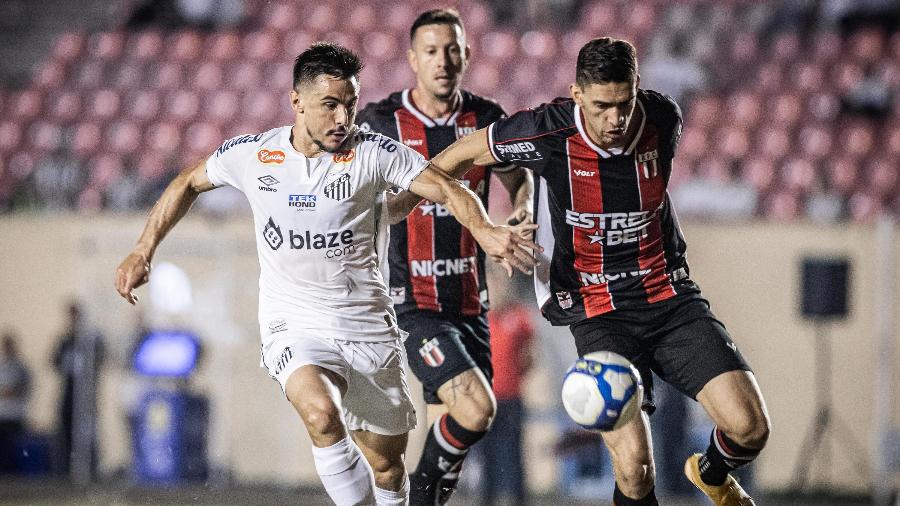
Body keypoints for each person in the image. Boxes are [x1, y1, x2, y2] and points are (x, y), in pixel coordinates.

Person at [114, 42, 538, 506]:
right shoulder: (255, 155)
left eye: (350, 105)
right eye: (330, 105)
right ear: (297, 102)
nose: (343, 118)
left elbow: (447, 189)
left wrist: (485, 230)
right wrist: (143, 249)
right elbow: (187, 182)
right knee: (320, 413)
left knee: (387, 466)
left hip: (367, 326)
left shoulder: (374, 153)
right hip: (293, 321)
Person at [422, 37, 771, 506]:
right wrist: (478, 225)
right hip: (597, 310)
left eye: (624, 104)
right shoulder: (547, 131)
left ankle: (710, 473)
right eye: (602, 105)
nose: (615, 119)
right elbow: (456, 158)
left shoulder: (662, 119)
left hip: (669, 297)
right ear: (578, 94)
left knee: (750, 429)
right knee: (634, 468)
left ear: (637, 90)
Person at [356, 9, 533, 505]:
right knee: (477, 409)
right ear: (413, 60)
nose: (443, 61)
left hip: (471, 305)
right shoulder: (380, 122)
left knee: (453, 436)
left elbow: (517, 176)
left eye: (452, 50)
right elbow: (355, 197)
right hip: (414, 304)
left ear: (467, 55)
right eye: (431, 51)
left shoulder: (486, 119)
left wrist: (519, 209)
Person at [478, 276, 535, 506]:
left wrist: (518, 373)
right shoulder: (480, 320)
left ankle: (518, 501)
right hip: (485, 400)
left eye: (503, 285)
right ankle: (487, 500)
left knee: (513, 454)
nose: (500, 291)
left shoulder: (520, 318)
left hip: (512, 398)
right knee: (487, 455)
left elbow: (530, 356)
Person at [52, 301, 105, 479]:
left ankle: (91, 469)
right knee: (66, 431)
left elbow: (100, 359)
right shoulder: (65, 340)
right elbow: (55, 362)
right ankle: (66, 471)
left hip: (85, 394)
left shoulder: (90, 340)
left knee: (87, 432)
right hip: (69, 394)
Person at [0, 331, 31, 474]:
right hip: (2, 415)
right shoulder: (3, 367)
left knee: (14, 451)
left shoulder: (21, 367)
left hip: (15, 415)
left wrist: (7, 392)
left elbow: (20, 389)